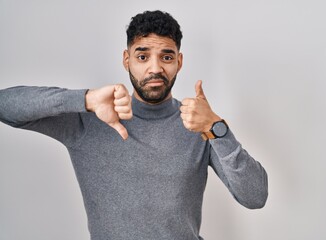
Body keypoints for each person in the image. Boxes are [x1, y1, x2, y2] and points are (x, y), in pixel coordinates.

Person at [0, 10, 268, 240]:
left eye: (166, 56)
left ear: (179, 62)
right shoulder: (91, 121)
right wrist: (85, 99)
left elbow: (255, 196)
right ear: (126, 60)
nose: (155, 68)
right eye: (142, 57)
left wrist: (217, 127)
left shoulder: (200, 126)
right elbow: (6, 106)